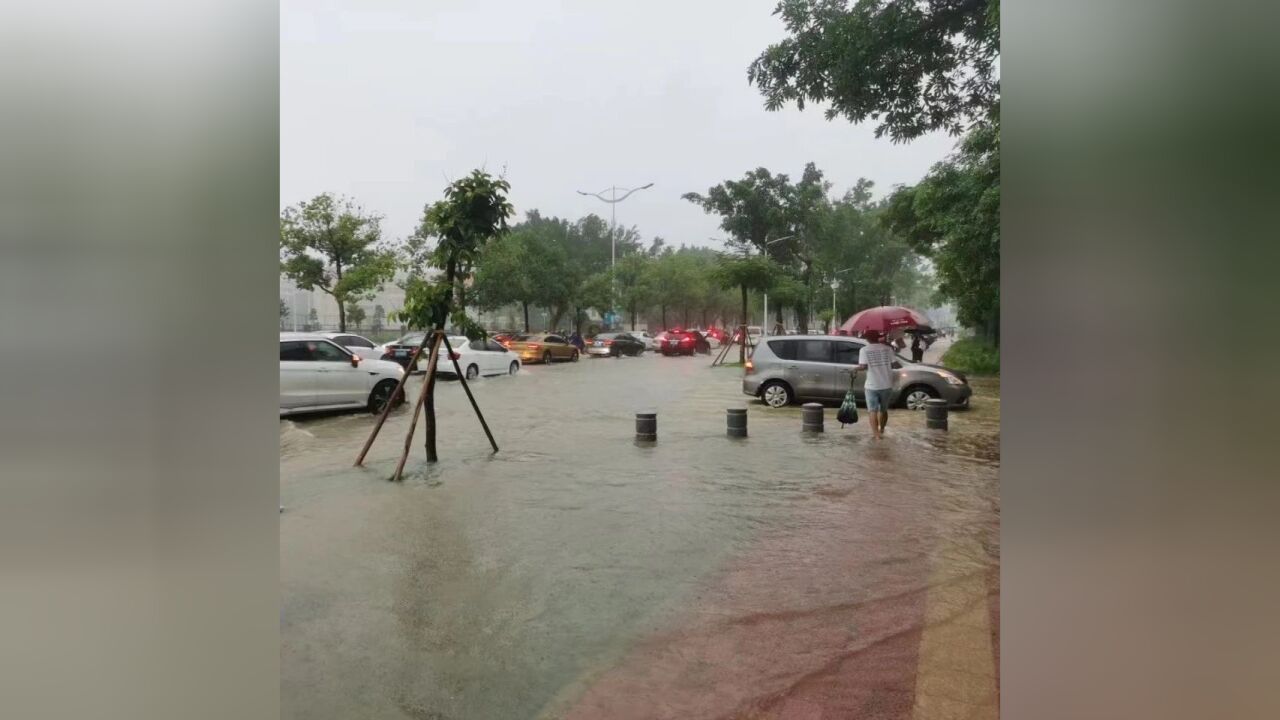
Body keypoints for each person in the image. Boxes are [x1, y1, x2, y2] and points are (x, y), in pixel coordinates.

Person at [856, 330, 899, 440]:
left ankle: (876, 435)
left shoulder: (864, 350)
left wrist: (854, 369)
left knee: (872, 411)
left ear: (867, 339)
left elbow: (863, 367)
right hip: (886, 384)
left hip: (871, 385)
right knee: (883, 410)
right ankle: (882, 430)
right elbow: (895, 364)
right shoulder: (888, 349)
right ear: (878, 337)